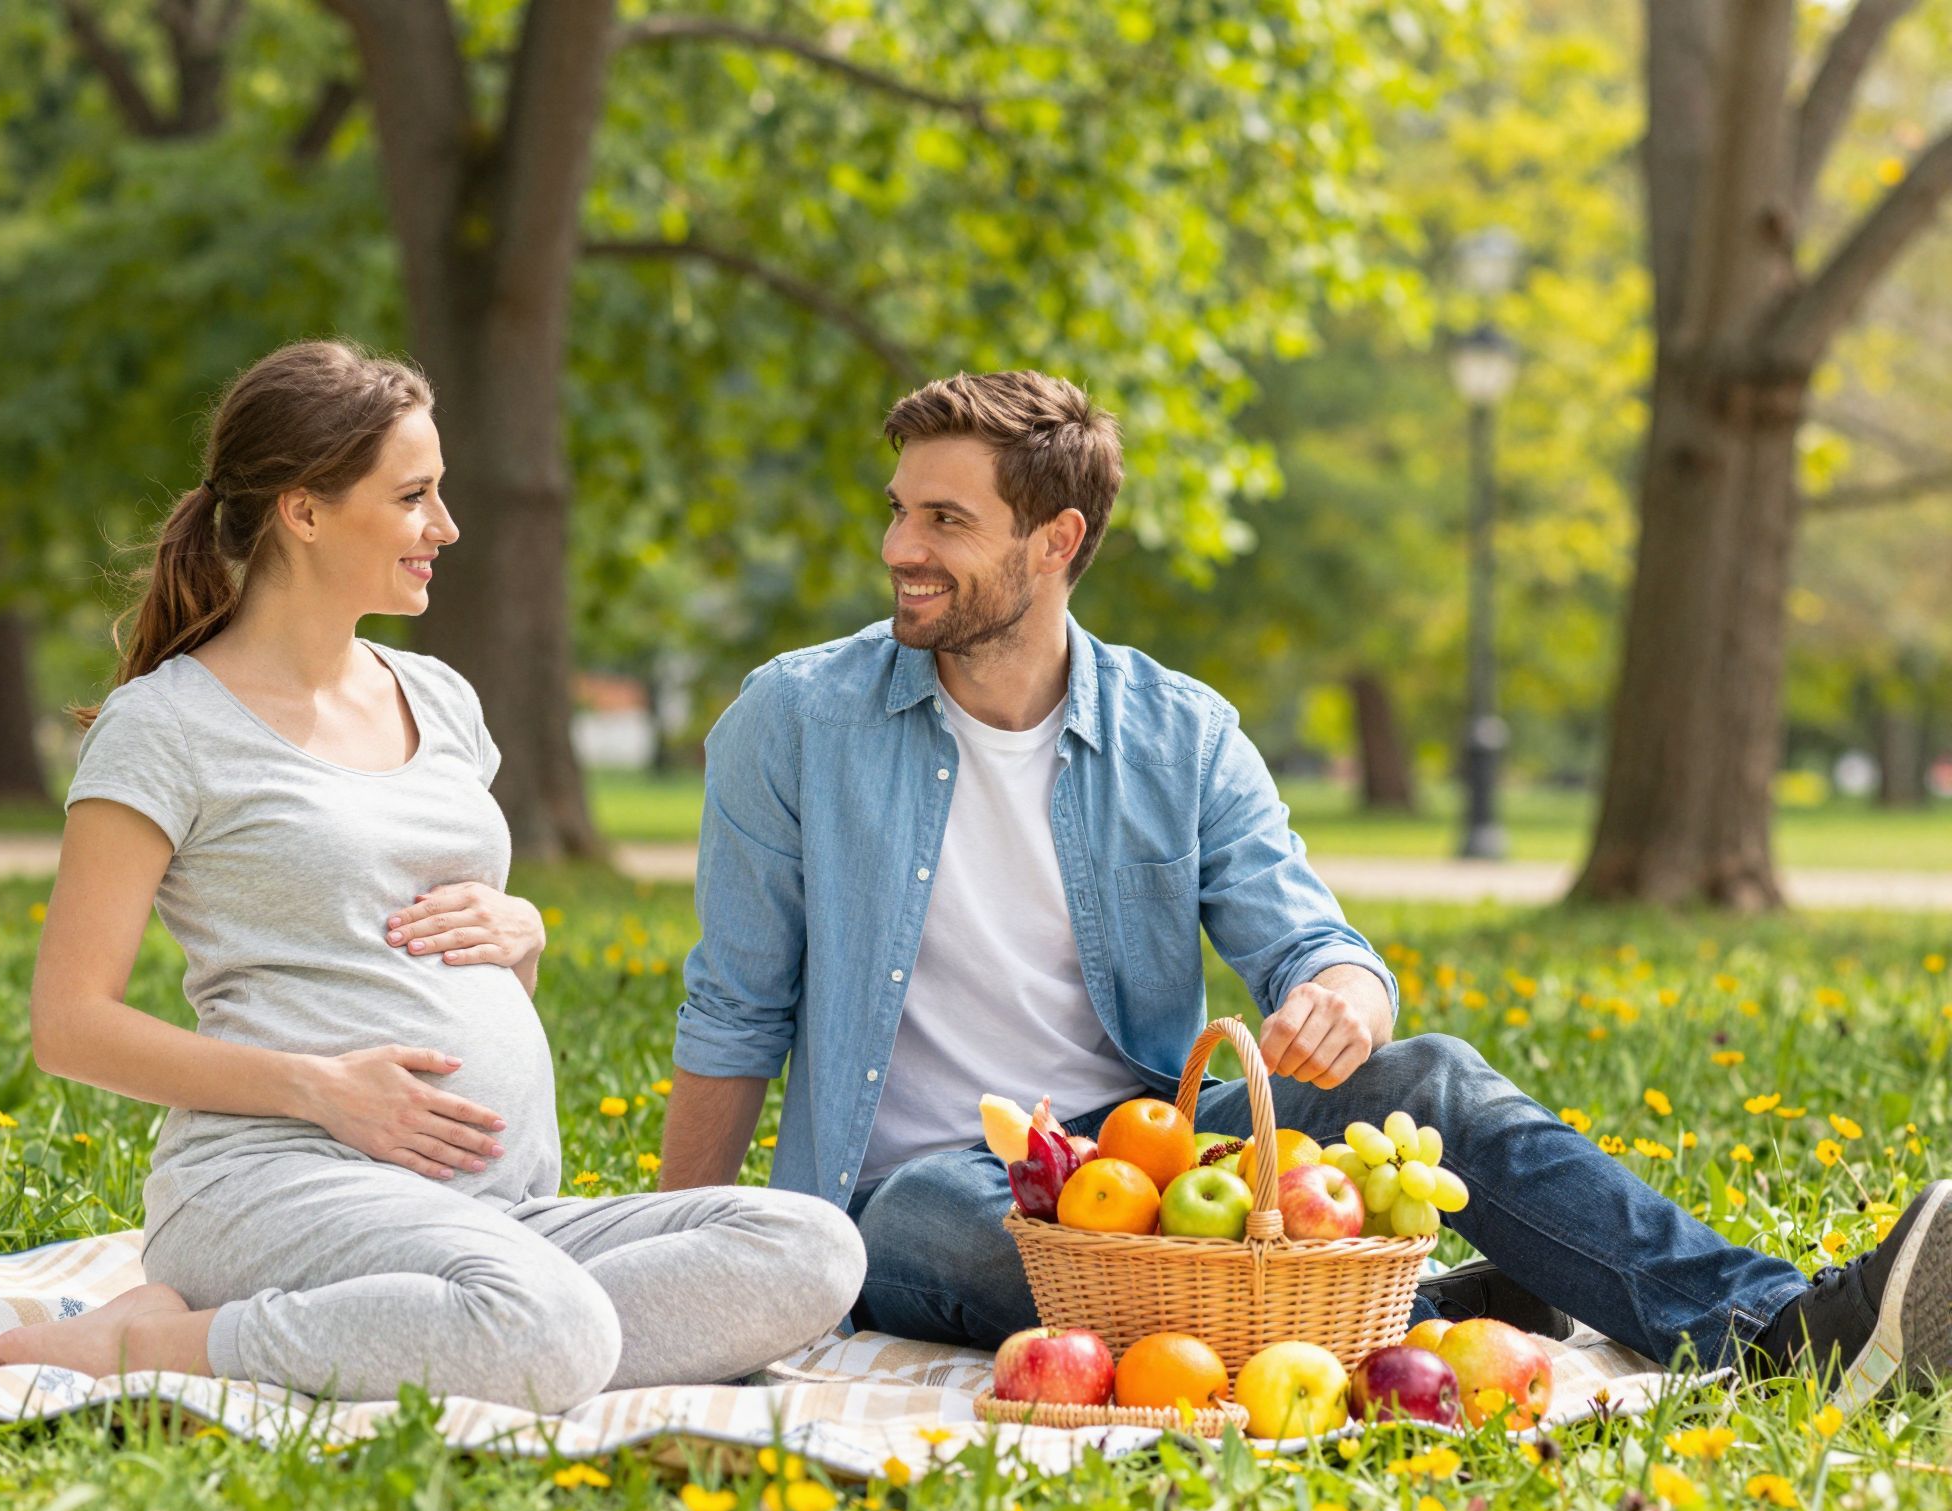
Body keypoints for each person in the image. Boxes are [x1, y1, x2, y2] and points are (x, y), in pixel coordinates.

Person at [658, 368, 1951, 1411]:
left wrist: (1340, 993)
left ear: (1056, 542)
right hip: (917, 1198)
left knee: (1430, 1075)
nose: (901, 547)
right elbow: (734, 1009)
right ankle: (1411, 1316)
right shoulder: (796, 722)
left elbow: (1313, 941)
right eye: (897, 510)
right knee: (970, 1216)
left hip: (1153, 1151)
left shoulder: (1183, 734)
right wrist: (678, 1278)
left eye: (945, 521)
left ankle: (1784, 1329)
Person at [0, 339, 864, 1411]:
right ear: (303, 510)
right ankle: (163, 1339)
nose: (447, 528)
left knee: (811, 1246)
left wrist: (521, 934)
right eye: (415, 496)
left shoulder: (439, 699)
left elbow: (430, 955)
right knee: (548, 1326)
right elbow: (70, 1025)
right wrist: (322, 1090)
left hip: (489, 1206)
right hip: (277, 1185)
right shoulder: (167, 726)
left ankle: (468, 1326)